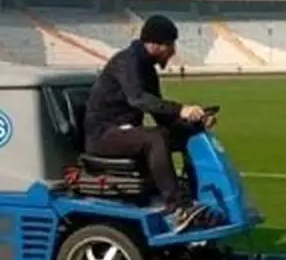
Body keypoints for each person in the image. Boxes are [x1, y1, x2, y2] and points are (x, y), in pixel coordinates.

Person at [83, 14, 211, 233]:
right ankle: (177, 207)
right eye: (170, 45)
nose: (173, 52)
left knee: (173, 135)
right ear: (155, 43)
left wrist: (192, 124)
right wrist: (181, 109)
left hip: (123, 133)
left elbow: (161, 114)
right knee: (155, 138)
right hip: (103, 135)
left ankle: (191, 196)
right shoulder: (127, 62)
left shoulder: (146, 69)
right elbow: (139, 99)